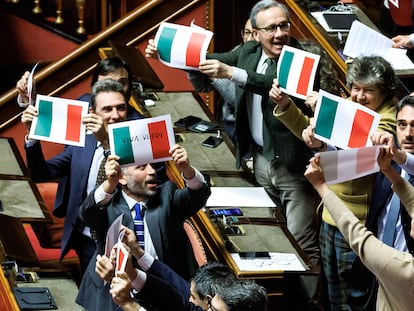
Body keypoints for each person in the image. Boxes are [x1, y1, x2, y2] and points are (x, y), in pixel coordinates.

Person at [272, 55, 397, 310]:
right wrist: (286, 105)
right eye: (355, 88)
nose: (359, 96)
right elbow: (317, 133)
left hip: (356, 222)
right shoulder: (351, 108)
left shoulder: (390, 118)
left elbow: (360, 143)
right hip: (330, 212)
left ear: (383, 92)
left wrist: (334, 109)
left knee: (350, 297)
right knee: (332, 294)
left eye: (368, 90)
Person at [75, 142, 211, 310]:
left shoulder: (167, 195)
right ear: (122, 178)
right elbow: (86, 213)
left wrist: (187, 169)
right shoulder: (108, 202)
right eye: (141, 167)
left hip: (162, 287)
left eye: (152, 165)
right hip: (112, 287)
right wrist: (110, 183)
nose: (152, 171)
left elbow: (198, 194)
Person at [21, 79, 130, 275]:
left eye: (121, 108)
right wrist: (32, 137)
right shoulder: (83, 143)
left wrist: (106, 143)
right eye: (107, 109)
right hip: (83, 238)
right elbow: (41, 173)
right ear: (92, 113)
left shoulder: (137, 144)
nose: (115, 115)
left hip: (119, 244)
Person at [304, 149, 414, 311]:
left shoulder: (403, 269)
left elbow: (358, 235)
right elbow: (411, 200)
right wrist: (388, 171)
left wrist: (320, 186)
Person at [96, 226, 235, 310]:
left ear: (208, 301)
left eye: (192, 296)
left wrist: (124, 299)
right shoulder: (209, 304)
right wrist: (133, 270)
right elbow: (171, 290)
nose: (188, 299)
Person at [185, 18, 254, 143]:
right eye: (247, 33)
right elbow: (203, 87)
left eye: (254, 34)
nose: (249, 39)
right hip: (225, 123)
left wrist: (213, 74)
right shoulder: (239, 51)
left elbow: (236, 99)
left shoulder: (264, 60)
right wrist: (192, 66)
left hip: (247, 130)